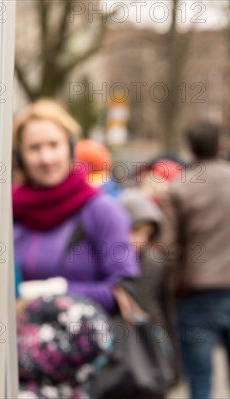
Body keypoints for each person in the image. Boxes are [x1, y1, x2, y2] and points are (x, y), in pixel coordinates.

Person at [162, 122, 230, 399]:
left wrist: (170, 289)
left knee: (199, 380)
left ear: (190, 148)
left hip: (195, 293)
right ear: (222, 144)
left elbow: (167, 248)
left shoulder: (181, 187)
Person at [12, 99, 139, 313]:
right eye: (34, 148)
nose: (46, 158)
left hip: (87, 343)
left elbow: (124, 291)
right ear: (20, 157)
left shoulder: (101, 211)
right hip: (14, 343)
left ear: (70, 148)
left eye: (54, 145)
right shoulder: (8, 213)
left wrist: (55, 291)